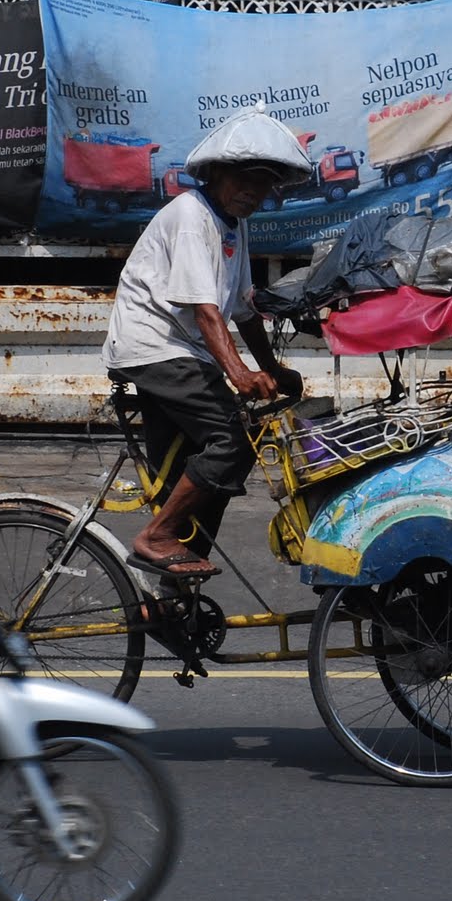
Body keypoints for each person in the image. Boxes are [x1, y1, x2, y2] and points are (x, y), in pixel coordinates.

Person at [102, 108, 313, 580]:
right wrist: (239, 374)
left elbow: (242, 308)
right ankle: (157, 535)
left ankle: (175, 589)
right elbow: (206, 311)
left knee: (205, 474)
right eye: (245, 180)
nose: (253, 193)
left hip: (182, 351)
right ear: (216, 173)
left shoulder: (234, 225)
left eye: (264, 185)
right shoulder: (191, 216)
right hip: (153, 346)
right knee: (233, 440)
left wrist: (271, 368)